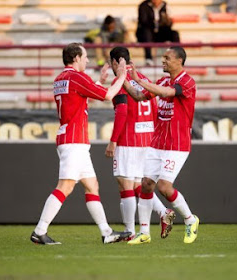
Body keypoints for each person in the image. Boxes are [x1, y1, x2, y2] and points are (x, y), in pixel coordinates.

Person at [30, 43, 131, 245]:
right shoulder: (76, 77)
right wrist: (121, 76)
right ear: (76, 57)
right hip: (73, 141)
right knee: (66, 186)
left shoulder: (61, 79)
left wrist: (100, 81)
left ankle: (106, 232)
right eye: (85, 57)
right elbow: (108, 95)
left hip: (73, 139)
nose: (87, 60)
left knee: (92, 185)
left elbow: (80, 100)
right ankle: (39, 231)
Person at [122, 46, 199, 245]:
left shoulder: (187, 82)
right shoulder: (162, 80)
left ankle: (190, 219)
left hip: (177, 145)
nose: (163, 60)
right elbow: (139, 96)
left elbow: (166, 92)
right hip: (157, 143)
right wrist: (123, 80)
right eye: (163, 57)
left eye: (167, 58)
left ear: (179, 61)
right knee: (146, 185)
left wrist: (139, 80)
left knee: (164, 187)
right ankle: (145, 233)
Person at [105, 46, 176, 240]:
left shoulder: (120, 81)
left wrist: (113, 141)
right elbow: (153, 106)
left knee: (124, 184)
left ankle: (129, 231)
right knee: (138, 184)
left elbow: (121, 112)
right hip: (147, 139)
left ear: (114, 62)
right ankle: (163, 212)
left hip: (128, 140)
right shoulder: (142, 78)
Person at [136, 0, 180, 66]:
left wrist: (167, 22)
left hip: (160, 33)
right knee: (147, 32)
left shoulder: (165, 5)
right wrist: (156, 23)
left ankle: (177, 57)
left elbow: (169, 24)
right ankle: (148, 58)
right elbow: (143, 22)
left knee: (175, 34)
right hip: (146, 33)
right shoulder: (143, 6)